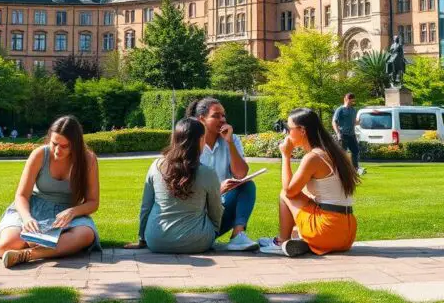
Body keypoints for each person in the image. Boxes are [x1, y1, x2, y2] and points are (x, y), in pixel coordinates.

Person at [0, 115, 101, 268]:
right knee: (7, 244)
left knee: (86, 234)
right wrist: (27, 218)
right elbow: (21, 195)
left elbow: (93, 203)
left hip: (67, 214)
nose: (57, 150)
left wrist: (73, 211)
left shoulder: (88, 160)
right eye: (54, 143)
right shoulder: (40, 154)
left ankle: (29, 254)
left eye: (64, 146)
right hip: (33, 208)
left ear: (75, 144)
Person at [259, 108, 359, 257]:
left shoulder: (313, 158)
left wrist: (285, 156)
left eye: (289, 128)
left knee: (285, 194)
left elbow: (289, 192)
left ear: (302, 130)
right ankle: (300, 238)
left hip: (327, 229)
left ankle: (282, 241)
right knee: (303, 194)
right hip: (347, 233)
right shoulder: (334, 153)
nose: (286, 133)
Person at [127, 118, 223, 254]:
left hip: (156, 241)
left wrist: (142, 238)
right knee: (233, 198)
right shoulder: (207, 173)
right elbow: (216, 210)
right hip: (197, 242)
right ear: (201, 140)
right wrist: (213, 232)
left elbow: (146, 206)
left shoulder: (156, 166)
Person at [187, 97, 259, 251]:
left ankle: (237, 236)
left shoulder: (231, 140)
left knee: (246, 185)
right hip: (195, 213)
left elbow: (240, 174)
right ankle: (203, 236)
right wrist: (218, 190)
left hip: (218, 210)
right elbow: (187, 191)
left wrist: (229, 143)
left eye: (223, 115)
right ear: (201, 119)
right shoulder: (190, 143)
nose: (222, 119)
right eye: (216, 116)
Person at [332, 93, 364, 175]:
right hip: (343, 135)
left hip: (352, 135)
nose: (352, 103)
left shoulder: (353, 110)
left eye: (353, 101)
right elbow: (334, 122)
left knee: (355, 151)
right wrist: (338, 133)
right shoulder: (340, 110)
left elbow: (354, 122)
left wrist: (359, 122)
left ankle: (355, 169)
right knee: (342, 153)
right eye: (350, 101)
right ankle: (338, 170)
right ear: (345, 99)